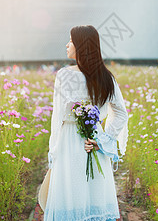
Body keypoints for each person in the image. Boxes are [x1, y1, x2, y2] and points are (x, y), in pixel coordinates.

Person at [40, 25, 129, 221]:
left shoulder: (64, 75)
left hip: (69, 141)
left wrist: (53, 149)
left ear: (80, 45)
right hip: (94, 141)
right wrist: (104, 139)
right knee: (93, 193)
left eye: (70, 41)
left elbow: (57, 118)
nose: (67, 45)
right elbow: (121, 114)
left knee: (71, 193)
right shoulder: (106, 77)